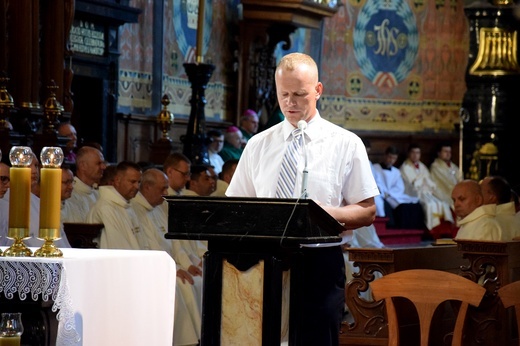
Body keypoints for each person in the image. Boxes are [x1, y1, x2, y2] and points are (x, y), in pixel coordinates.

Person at [226, 52, 379, 345]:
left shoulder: (345, 143)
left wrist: (327, 212)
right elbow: (236, 207)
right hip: (263, 259)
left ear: (318, 90)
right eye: (284, 94)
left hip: (319, 261)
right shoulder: (258, 144)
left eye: (299, 94)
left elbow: (368, 211)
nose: (290, 103)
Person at [130, 168, 203, 346]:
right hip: (156, 267)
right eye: (162, 189)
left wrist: (187, 264)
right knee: (183, 285)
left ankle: (201, 336)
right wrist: (174, 270)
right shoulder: (135, 209)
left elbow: (175, 242)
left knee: (197, 279)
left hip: (171, 265)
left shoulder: (158, 209)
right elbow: (150, 248)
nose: (165, 194)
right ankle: (183, 341)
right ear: (147, 187)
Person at [87, 161, 148, 250]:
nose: (137, 187)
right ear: (117, 180)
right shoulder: (105, 209)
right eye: (132, 182)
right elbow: (117, 247)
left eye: (139, 182)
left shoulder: (128, 206)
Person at [400, 143, 454, 231]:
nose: (415, 155)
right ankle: (430, 230)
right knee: (429, 205)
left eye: (418, 153)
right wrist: (422, 179)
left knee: (442, 203)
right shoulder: (405, 167)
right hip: (414, 194)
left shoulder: (422, 166)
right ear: (409, 154)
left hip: (426, 192)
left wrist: (425, 182)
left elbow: (429, 181)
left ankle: (442, 230)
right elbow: (412, 184)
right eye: (413, 152)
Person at [372, 146, 424, 229]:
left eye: (394, 158)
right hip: (381, 195)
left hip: (393, 195)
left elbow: (399, 187)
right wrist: (384, 193)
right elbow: (375, 182)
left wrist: (390, 194)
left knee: (414, 204)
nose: (391, 160)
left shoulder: (396, 171)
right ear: (385, 156)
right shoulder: (375, 168)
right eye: (390, 157)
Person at [63, 146, 107, 222]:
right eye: (98, 163)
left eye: (103, 163)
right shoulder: (70, 193)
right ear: (83, 166)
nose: (103, 167)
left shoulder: (98, 193)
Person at [479, 176, 520, 240]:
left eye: (480, 191)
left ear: (492, 197)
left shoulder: (487, 224)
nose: (477, 196)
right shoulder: (517, 220)